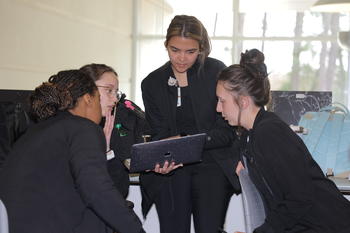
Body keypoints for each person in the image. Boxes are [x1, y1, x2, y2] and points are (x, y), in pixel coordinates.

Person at [216, 48, 350, 233]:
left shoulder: (269, 133)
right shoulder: (251, 134)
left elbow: (300, 197)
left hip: (327, 225)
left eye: (222, 101)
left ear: (243, 102)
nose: (218, 108)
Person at [0, 70, 145, 233]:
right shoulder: (83, 127)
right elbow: (97, 190)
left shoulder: (39, 131)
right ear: (88, 99)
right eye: (98, 99)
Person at [140, 15, 241, 233]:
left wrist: (187, 141)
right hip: (173, 168)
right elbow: (158, 133)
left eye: (190, 51)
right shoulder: (152, 83)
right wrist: (161, 157)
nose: (182, 58)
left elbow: (227, 132)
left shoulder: (216, 73)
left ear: (201, 48)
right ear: (166, 45)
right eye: (175, 50)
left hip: (212, 164)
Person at [80, 63, 151, 199]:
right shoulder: (66, 131)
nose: (115, 99)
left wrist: (107, 152)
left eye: (116, 92)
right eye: (108, 90)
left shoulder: (113, 125)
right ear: (85, 91)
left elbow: (119, 191)